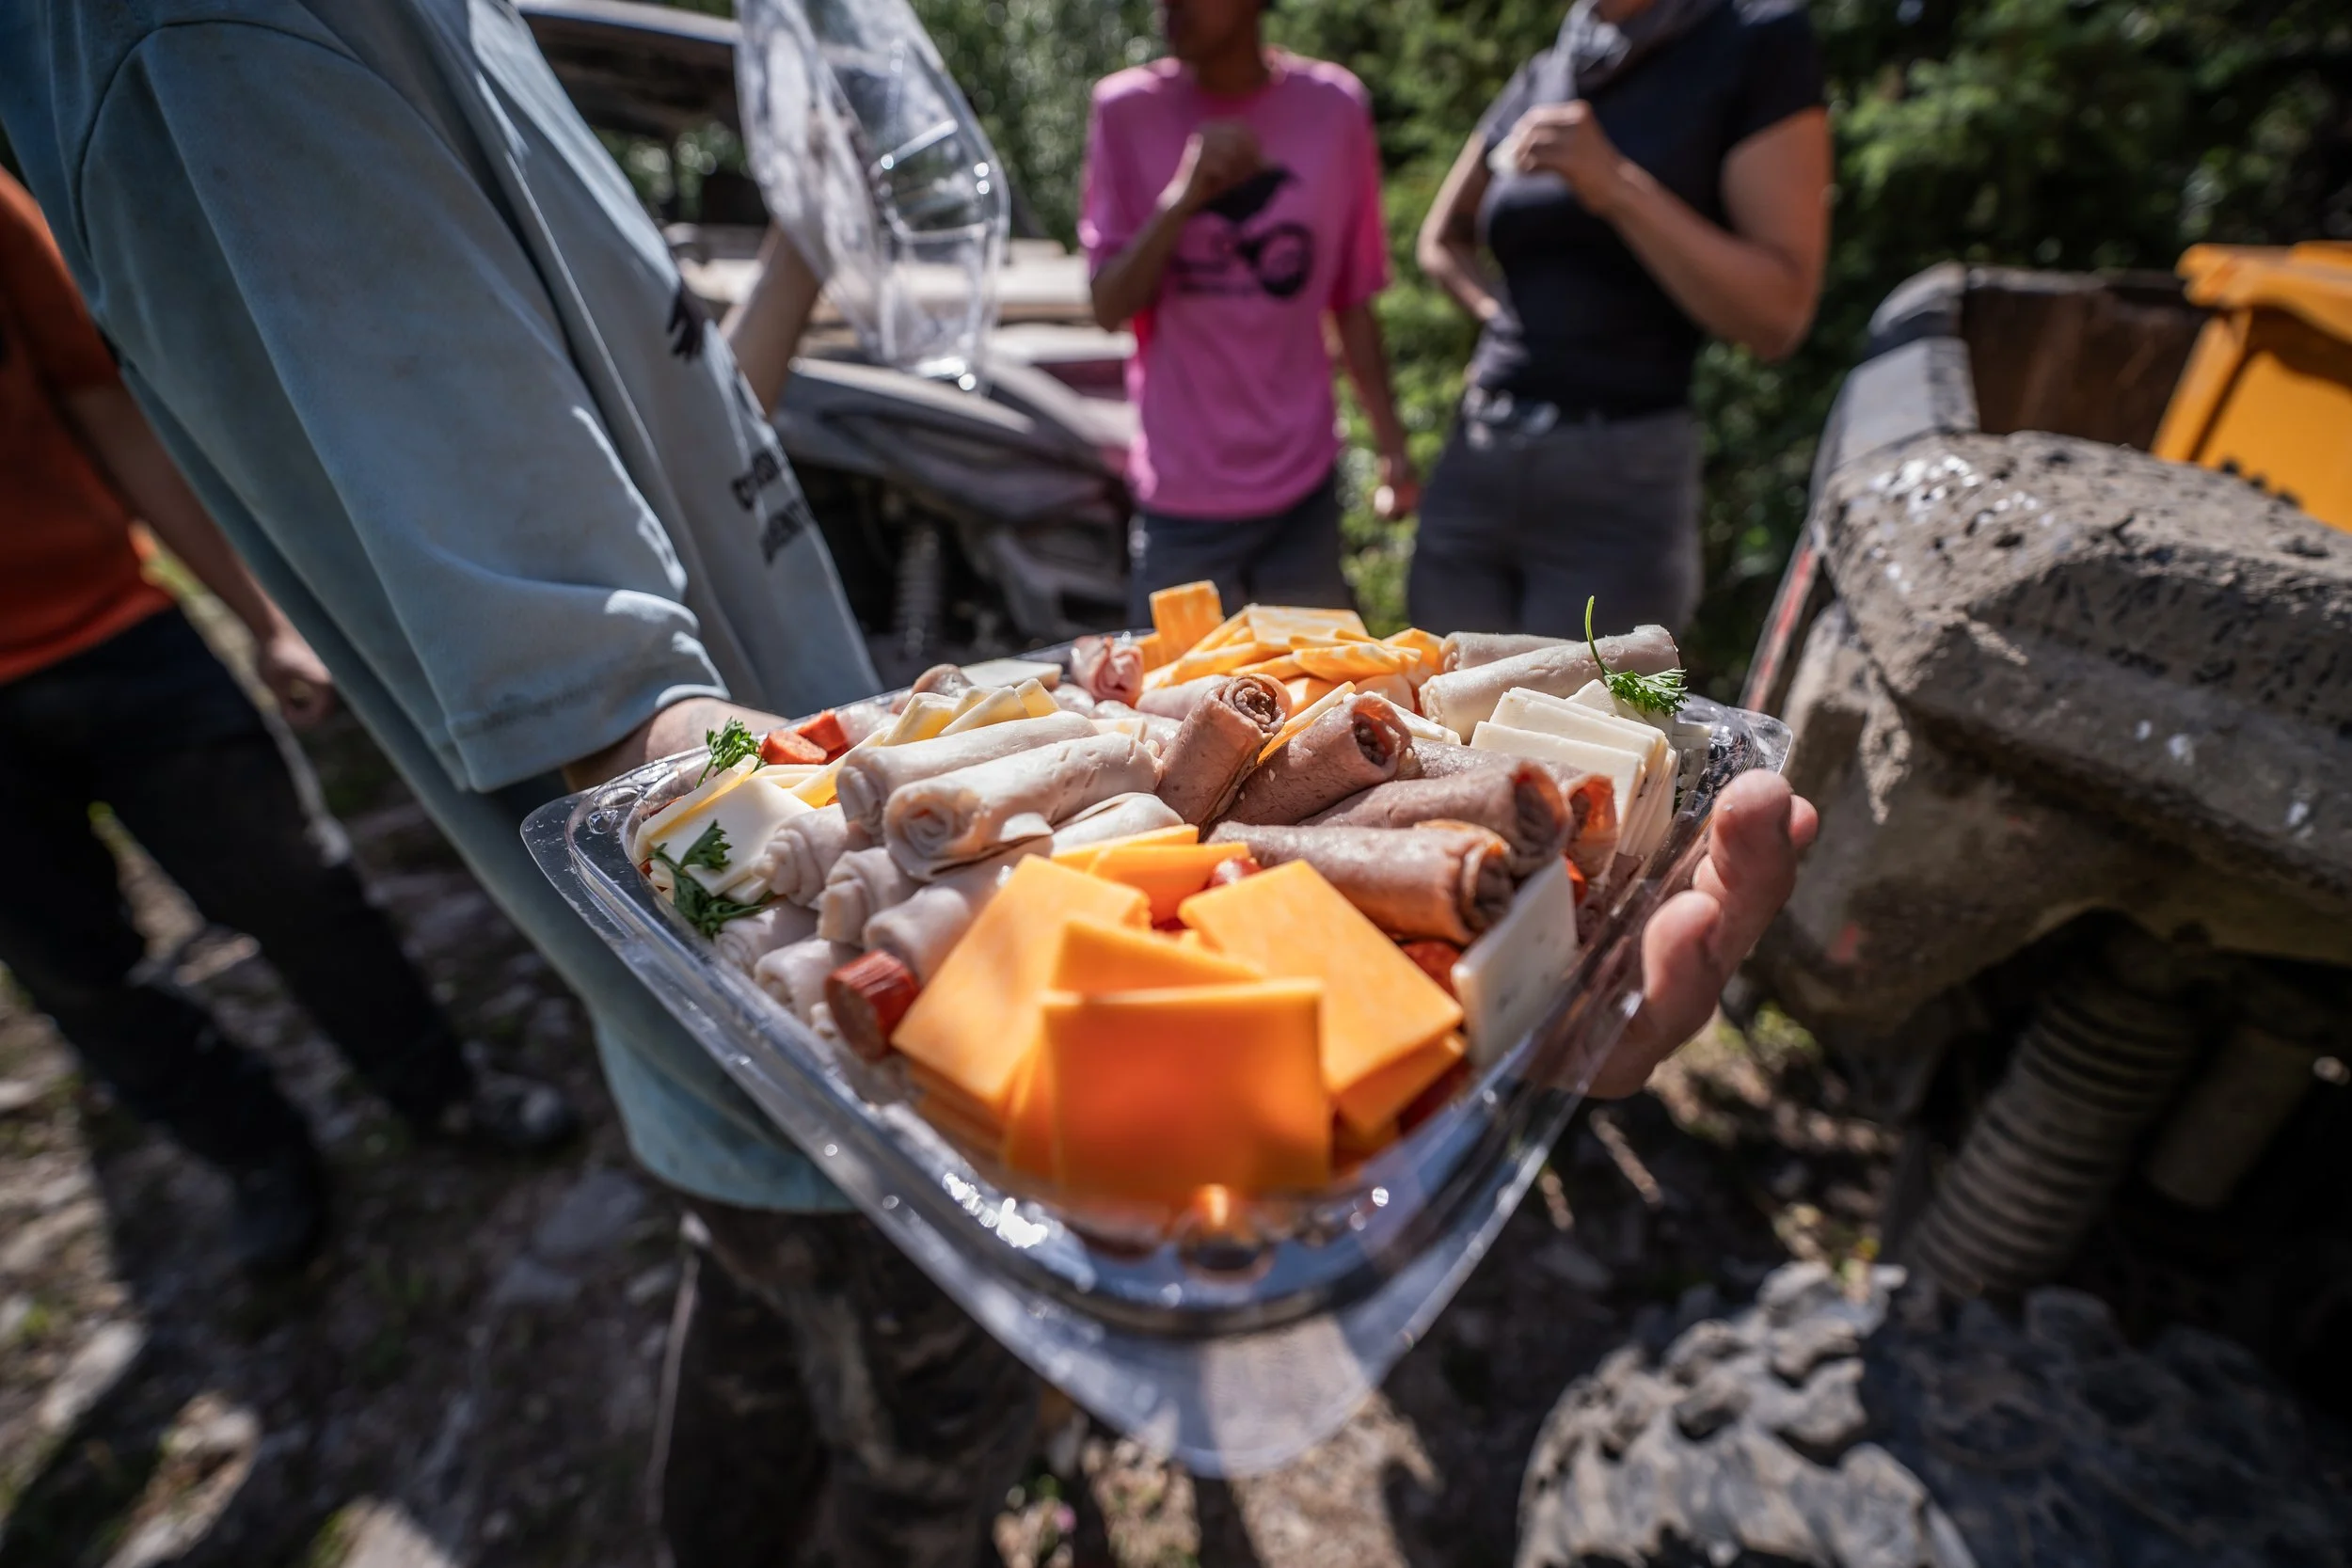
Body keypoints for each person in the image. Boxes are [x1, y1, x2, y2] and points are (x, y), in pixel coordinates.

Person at [0, 3, 1808, 1560]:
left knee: (769, 1310)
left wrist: (805, 236)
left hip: (772, 1018)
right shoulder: (222, 51)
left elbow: (675, 440)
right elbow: (614, 728)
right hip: (840, 1091)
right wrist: (897, 947)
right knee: (906, 1422)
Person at [0, 170, 577, 1275]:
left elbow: (102, 408)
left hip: (118, 636)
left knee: (299, 886)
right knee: (73, 969)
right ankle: (253, 1150)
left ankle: (439, 1086)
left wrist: (261, 614)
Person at [1411, 0, 1832, 637]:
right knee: (1433, 713)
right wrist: (1497, 315)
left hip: (1621, 480)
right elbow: (1441, 239)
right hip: (1478, 454)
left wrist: (1616, 186)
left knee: (1577, 730)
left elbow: (1779, 315)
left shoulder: (1754, 40)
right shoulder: (1547, 71)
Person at [1083, 0, 1419, 622]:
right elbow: (1108, 304)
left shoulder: (1334, 109)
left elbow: (1352, 299)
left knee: (1318, 705)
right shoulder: (1125, 110)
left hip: (1303, 496)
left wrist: (1393, 448)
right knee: (1163, 708)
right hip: (1182, 501)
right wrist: (1183, 198)